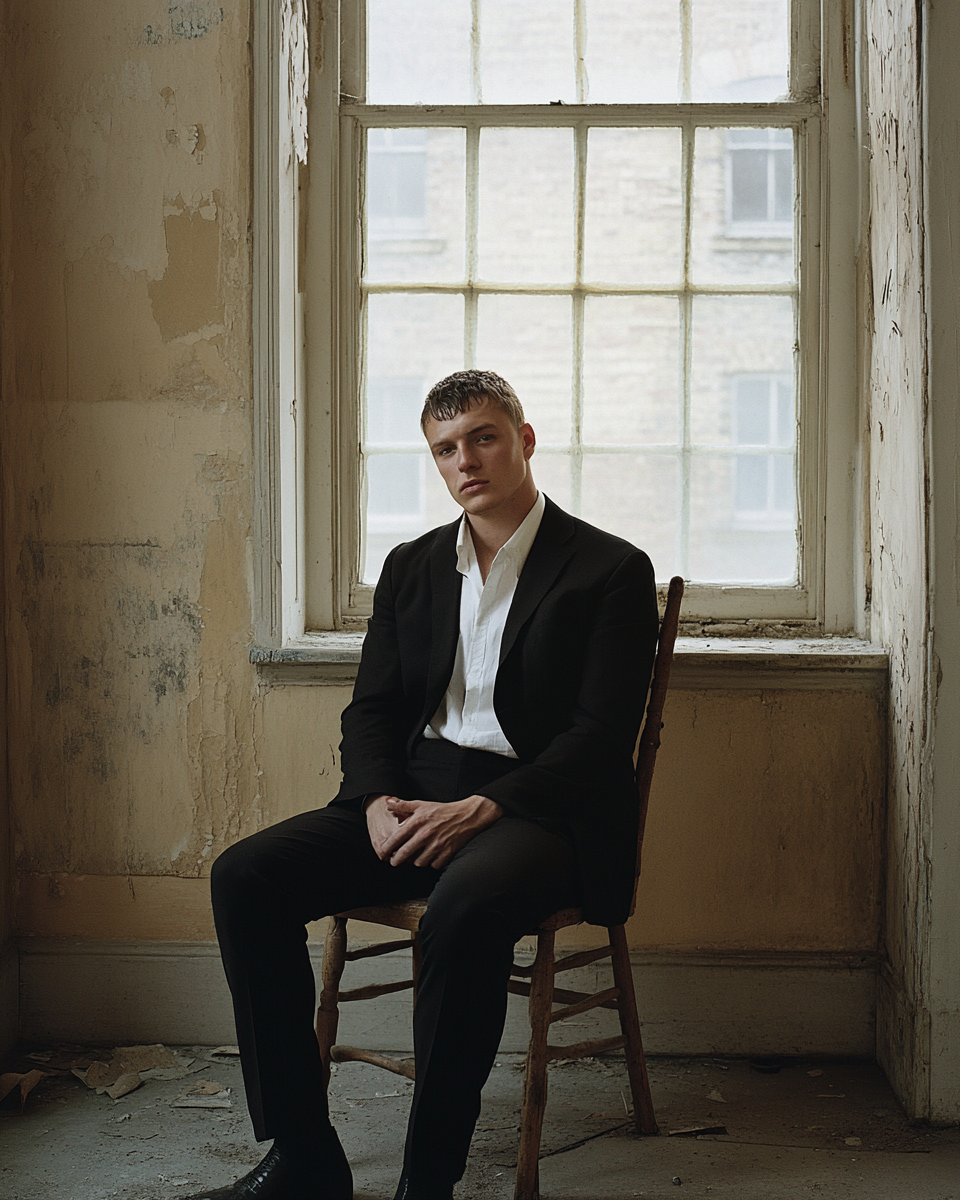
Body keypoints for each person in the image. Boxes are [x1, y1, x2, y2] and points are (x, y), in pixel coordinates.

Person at [192, 370, 659, 1200]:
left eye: (482, 436)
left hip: (542, 808)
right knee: (245, 876)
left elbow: (598, 739)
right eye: (446, 447)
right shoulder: (411, 567)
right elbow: (370, 712)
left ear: (524, 439)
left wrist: (487, 807)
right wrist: (374, 802)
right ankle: (304, 1157)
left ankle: (428, 1181)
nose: (465, 460)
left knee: (464, 908)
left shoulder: (608, 568)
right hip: (415, 793)